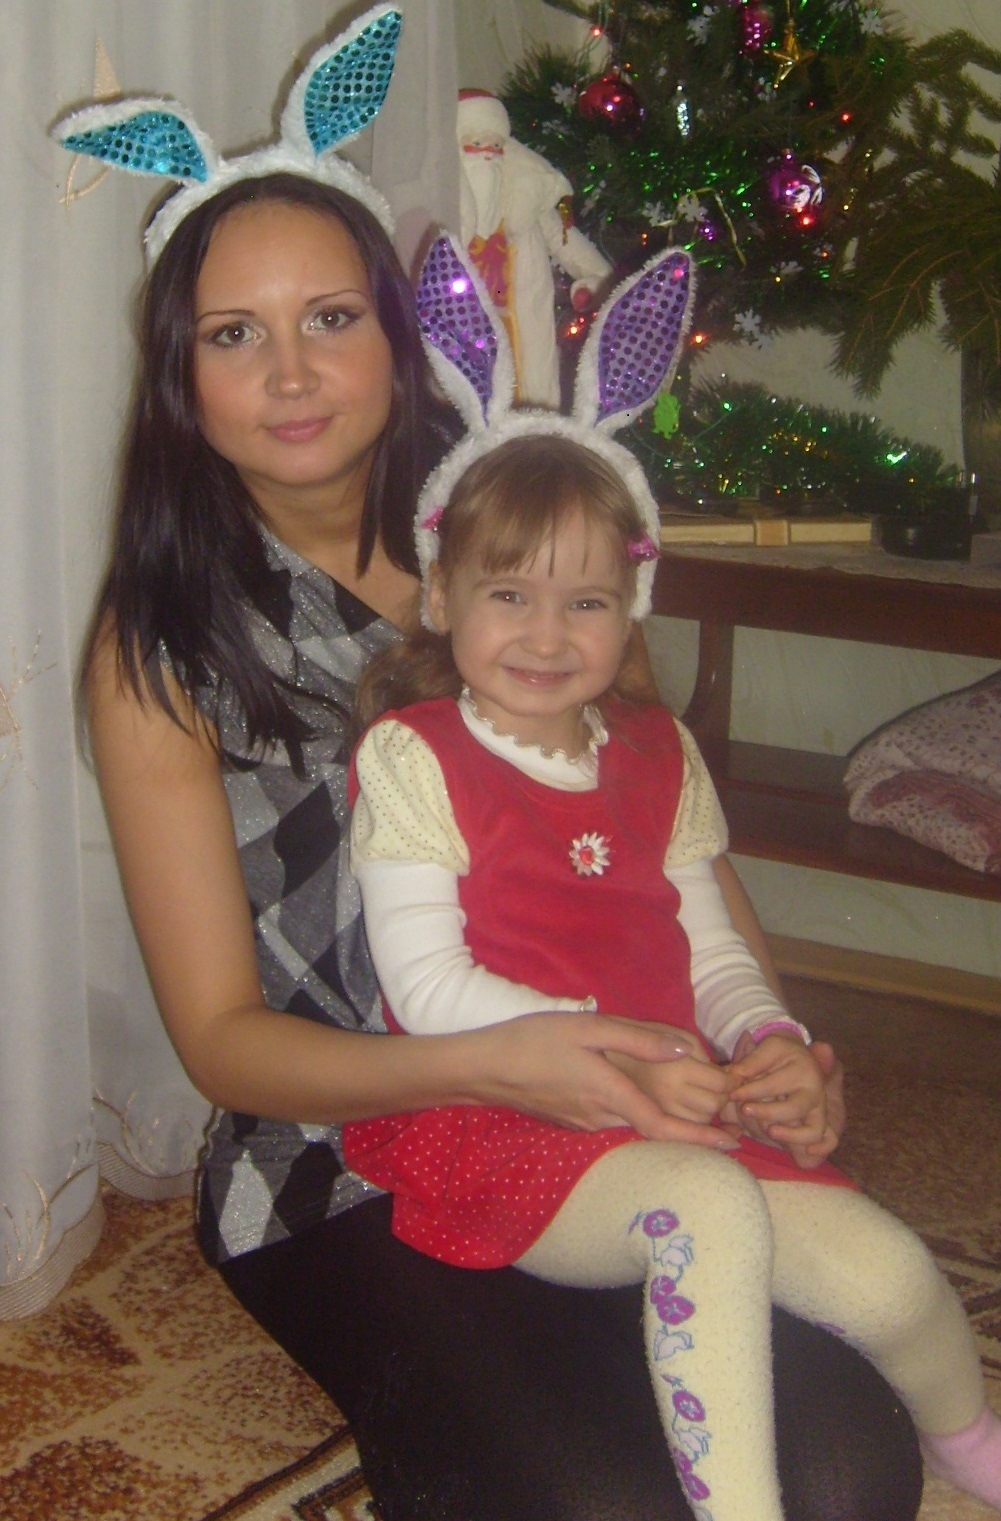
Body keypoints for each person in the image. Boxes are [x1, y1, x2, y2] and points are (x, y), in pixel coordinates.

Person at [56, 10, 928, 1519]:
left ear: (400, 336)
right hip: (345, 1150)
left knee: (851, 1465)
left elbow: (669, 841)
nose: (291, 373)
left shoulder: (524, 541)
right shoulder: (160, 653)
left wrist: (764, 1040)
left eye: (333, 317)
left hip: (617, 1101)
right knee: (600, 1498)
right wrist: (495, 1060)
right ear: (178, 374)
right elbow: (222, 1043)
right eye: (233, 333)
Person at [342, 421, 1001, 1517]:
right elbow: (426, 989)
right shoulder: (416, 755)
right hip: (506, 1117)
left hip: (678, 1101)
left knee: (889, 1277)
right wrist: (630, 1059)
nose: (546, 635)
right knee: (705, 1208)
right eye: (508, 594)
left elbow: (710, 946)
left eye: (585, 601)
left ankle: (970, 1442)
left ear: (630, 608)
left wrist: (767, 1038)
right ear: (444, 598)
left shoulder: (659, 751)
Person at [457, 89, 611, 406]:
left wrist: (599, 282)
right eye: (476, 144)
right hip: (464, 336)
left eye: (496, 146)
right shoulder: (441, 209)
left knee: (532, 404)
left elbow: (566, 242)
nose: (487, 155)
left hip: (522, 333)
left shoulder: (527, 205)